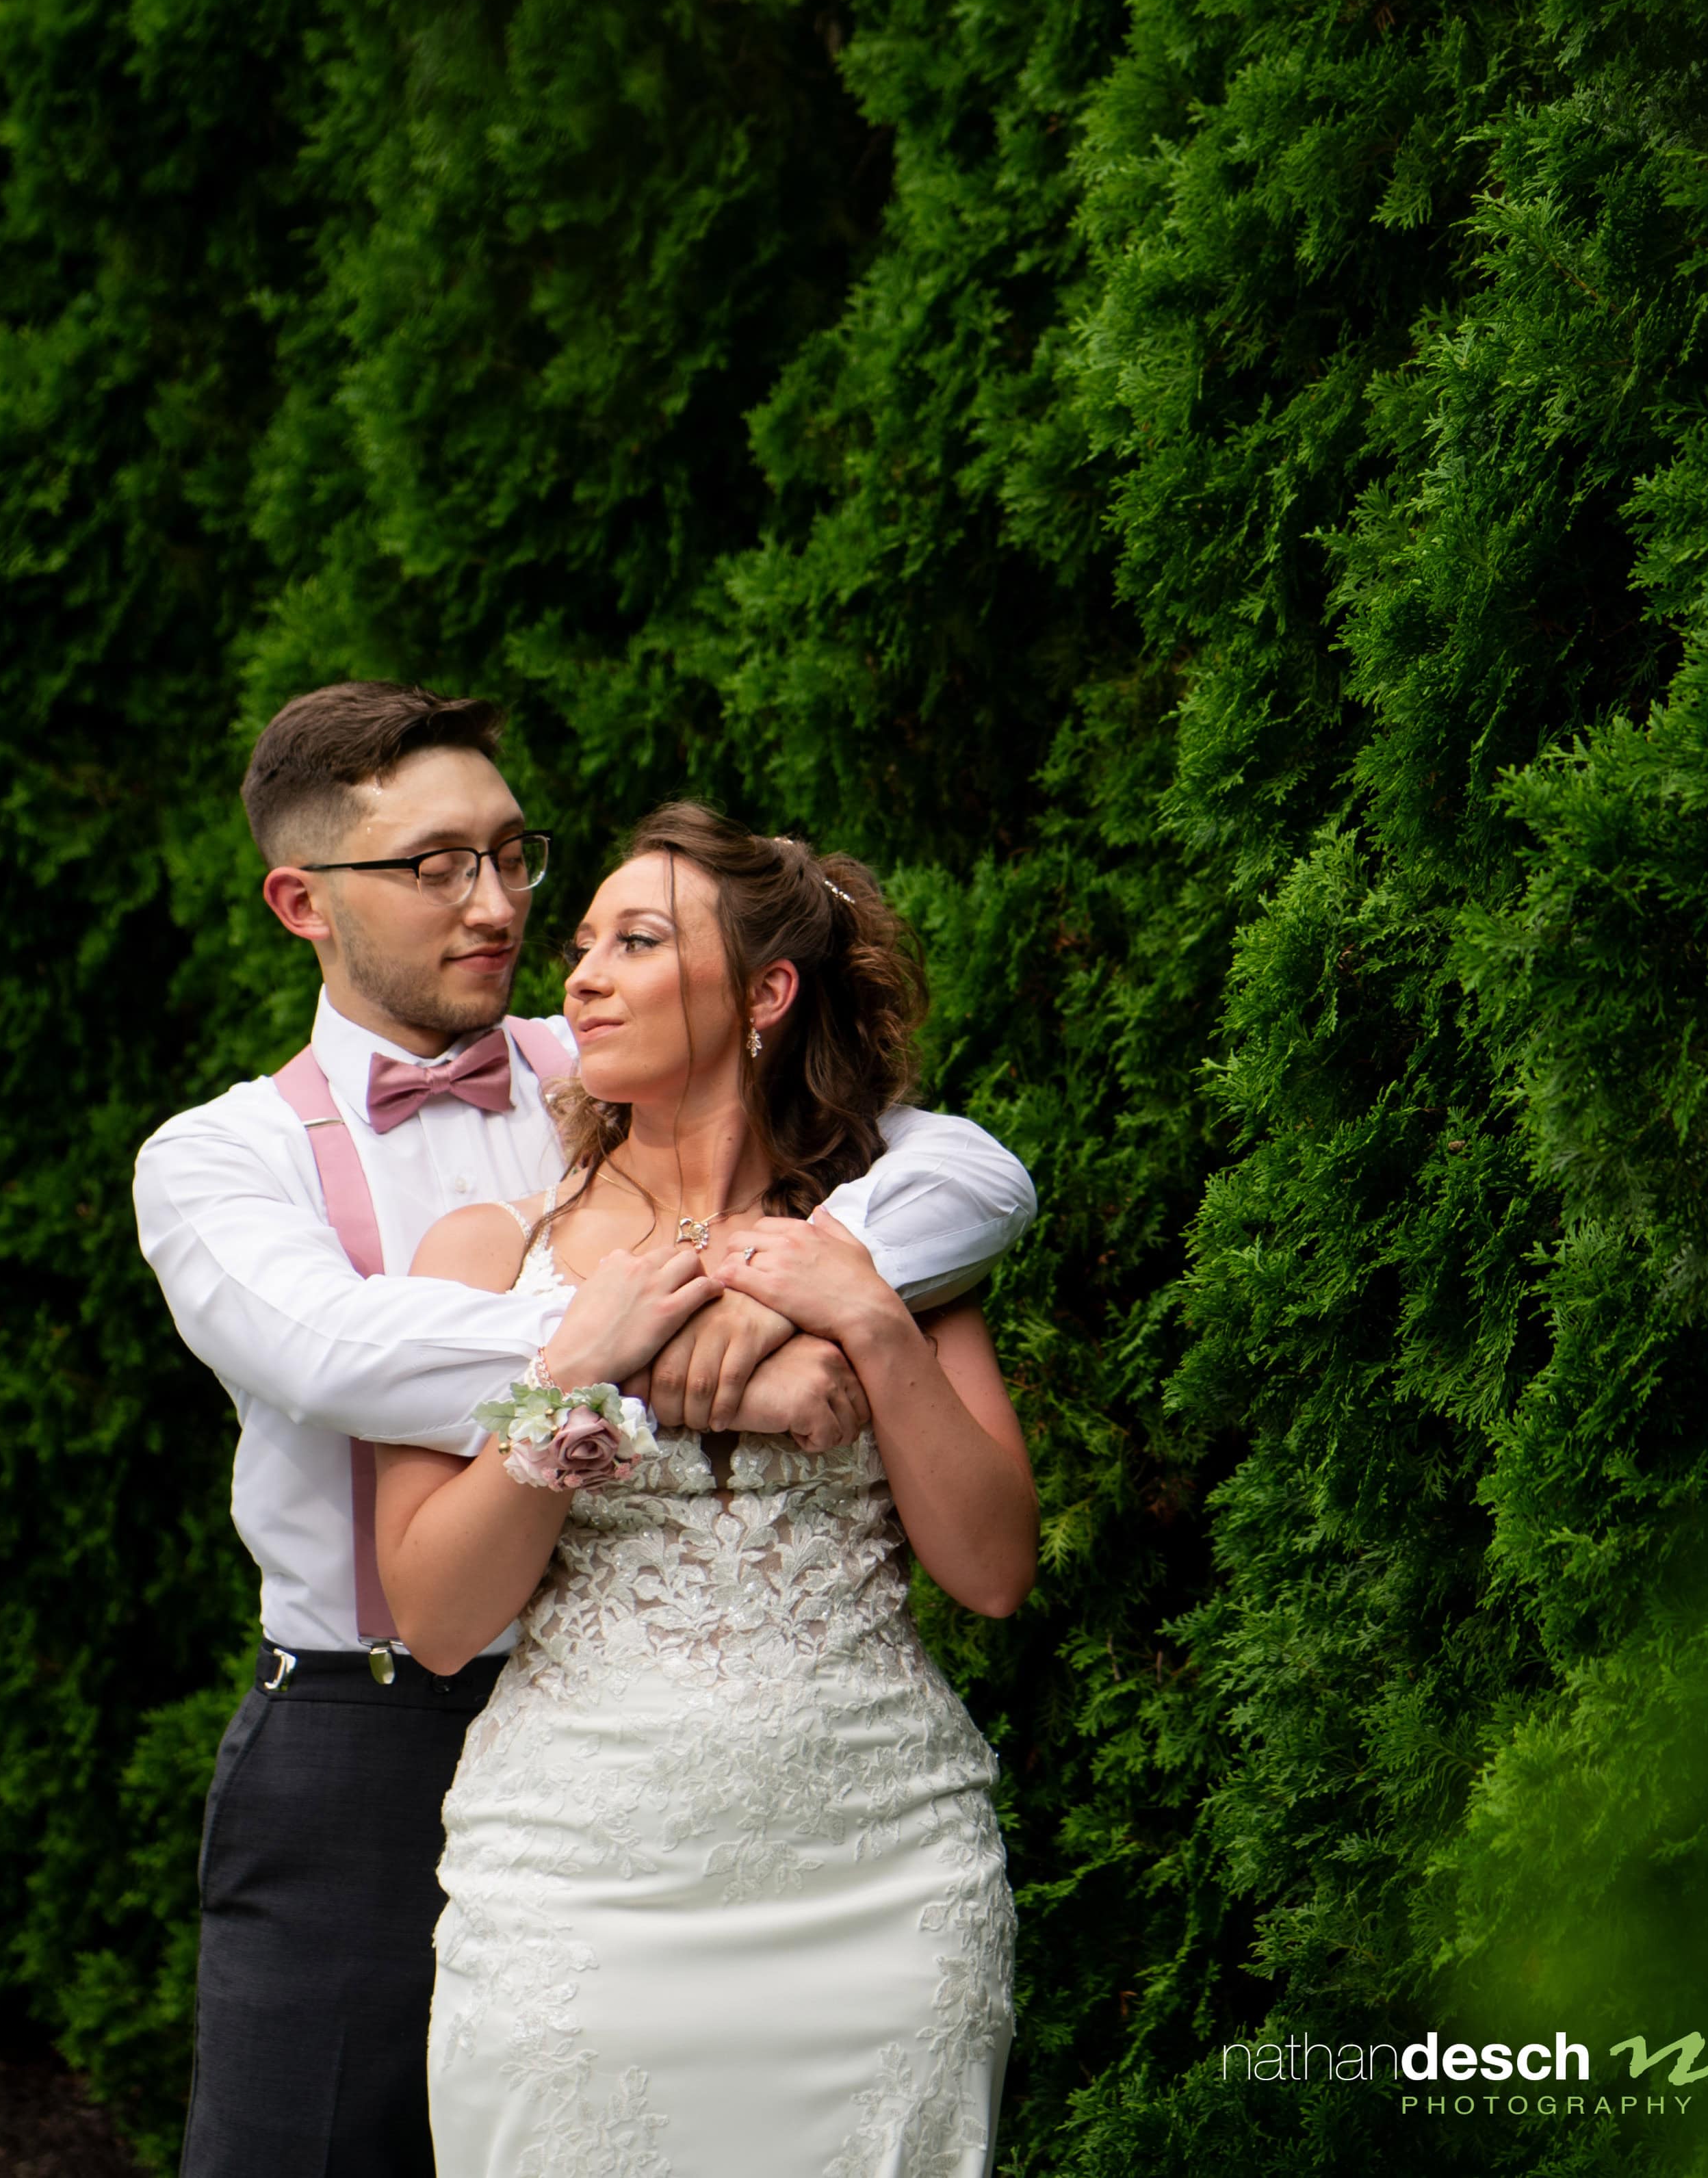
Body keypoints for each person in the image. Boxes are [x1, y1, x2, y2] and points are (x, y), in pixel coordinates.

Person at [135, 686, 1037, 2178]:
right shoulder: (223, 1157)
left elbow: (975, 1175)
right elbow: (329, 1354)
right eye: (435, 866)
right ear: (303, 901)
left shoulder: (608, 1047)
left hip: (836, 1817)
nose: (494, 906)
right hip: (375, 1733)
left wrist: (836, 1299)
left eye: (510, 856)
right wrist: (701, 1361)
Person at [374, 802, 1034, 2177]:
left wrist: (869, 1322)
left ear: (764, 994)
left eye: (637, 940)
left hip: (883, 1880)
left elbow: (990, 1569)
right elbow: (436, 1618)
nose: (582, 976)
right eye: (583, 945)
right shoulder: (488, 1255)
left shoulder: (891, 1243)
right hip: (579, 1895)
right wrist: (579, 1374)